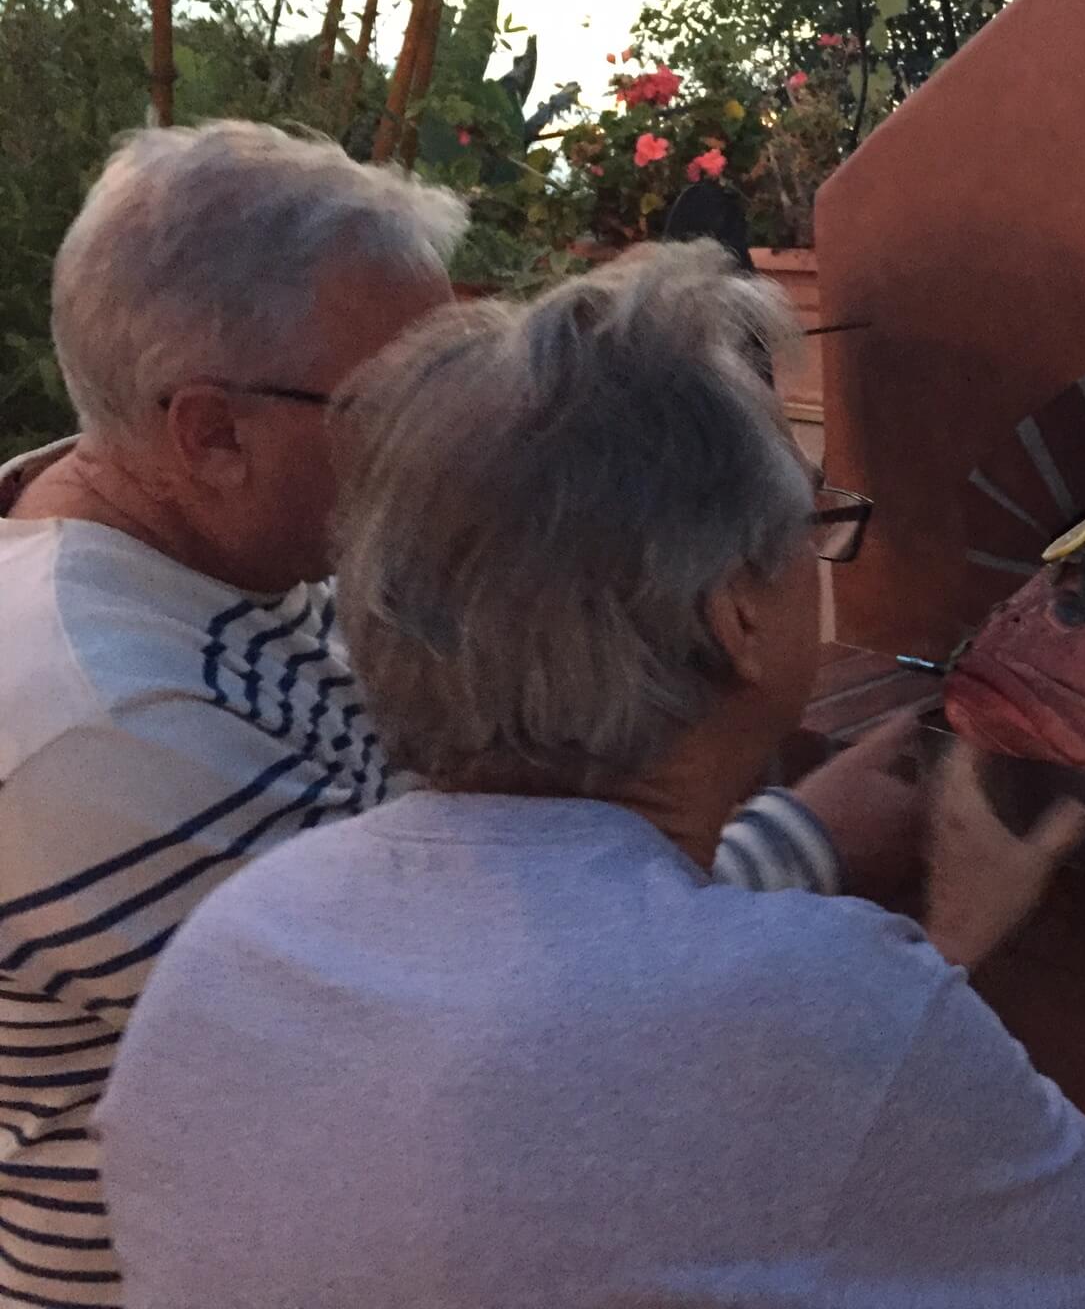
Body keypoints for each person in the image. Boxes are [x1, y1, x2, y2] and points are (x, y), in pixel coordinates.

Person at [95, 243, 1085, 1309]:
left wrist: (930, 958)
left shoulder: (239, 938)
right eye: (814, 529)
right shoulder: (798, 1009)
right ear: (736, 618)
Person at [0, 124, 927, 1306]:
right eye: (399, 402)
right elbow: (449, 1031)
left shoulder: (231, 559)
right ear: (210, 431)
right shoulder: (95, 718)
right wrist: (811, 843)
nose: (446, 442)